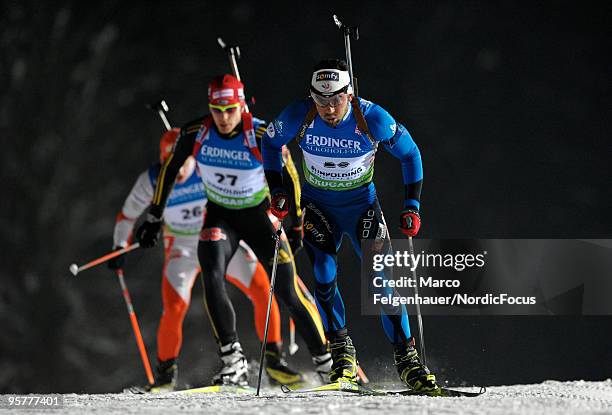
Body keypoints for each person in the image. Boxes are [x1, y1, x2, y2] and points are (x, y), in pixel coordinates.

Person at [134, 74, 331, 387]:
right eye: (216, 109)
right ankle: (232, 359)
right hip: (219, 217)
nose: (223, 118)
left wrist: (295, 225)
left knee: (286, 291)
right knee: (211, 277)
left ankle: (326, 362)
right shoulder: (198, 132)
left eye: (229, 109)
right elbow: (171, 169)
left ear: (241, 106)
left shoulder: (261, 132)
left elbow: (291, 174)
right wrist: (154, 216)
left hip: (257, 218)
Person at [261, 59, 440, 394]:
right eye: (321, 100)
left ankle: (409, 361)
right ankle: (342, 357)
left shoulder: (372, 118)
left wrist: (412, 206)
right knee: (325, 279)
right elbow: (270, 145)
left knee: (380, 281)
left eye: (336, 99)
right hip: (317, 207)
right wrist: (278, 189)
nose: (329, 108)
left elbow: (411, 154)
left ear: (350, 93)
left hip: (361, 209)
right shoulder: (299, 115)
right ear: (311, 96)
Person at [109, 128, 314, 390]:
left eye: (181, 161)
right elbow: (126, 217)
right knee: (174, 307)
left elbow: (254, 190)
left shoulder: (207, 166)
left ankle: (274, 362)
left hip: (222, 236)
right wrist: (119, 246)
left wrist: (268, 224)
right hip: (183, 248)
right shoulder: (153, 179)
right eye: (168, 161)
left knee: (264, 289)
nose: (177, 169)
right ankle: (164, 376)